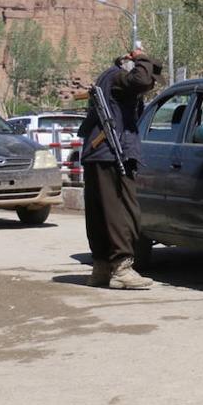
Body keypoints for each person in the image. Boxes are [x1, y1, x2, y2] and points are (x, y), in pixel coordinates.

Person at [77, 47, 160, 289]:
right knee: (122, 212)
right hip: (111, 154)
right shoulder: (119, 77)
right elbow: (142, 80)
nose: (150, 81)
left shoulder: (111, 78)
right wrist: (143, 58)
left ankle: (102, 267)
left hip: (101, 153)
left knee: (102, 211)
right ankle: (121, 268)